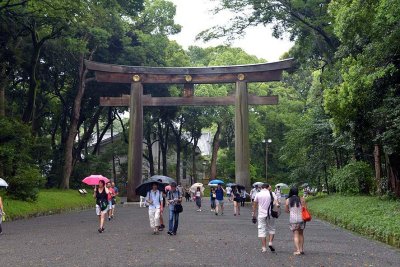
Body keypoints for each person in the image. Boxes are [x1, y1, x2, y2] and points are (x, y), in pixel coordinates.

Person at [252, 183, 278, 253]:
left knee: (262, 230)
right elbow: (276, 203)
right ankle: (270, 243)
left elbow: (254, 205)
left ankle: (263, 247)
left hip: (261, 215)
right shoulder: (272, 194)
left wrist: (253, 214)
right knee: (271, 228)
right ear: (267, 187)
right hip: (271, 214)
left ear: (262, 187)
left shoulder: (258, 194)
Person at [285, 187, 306, 255]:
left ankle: (297, 250)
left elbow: (286, 210)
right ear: (297, 192)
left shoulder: (288, 200)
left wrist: (291, 210)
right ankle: (301, 249)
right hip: (301, 219)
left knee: (296, 235)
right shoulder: (302, 199)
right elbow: (305, 208)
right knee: (301, 234)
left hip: (293, 219)